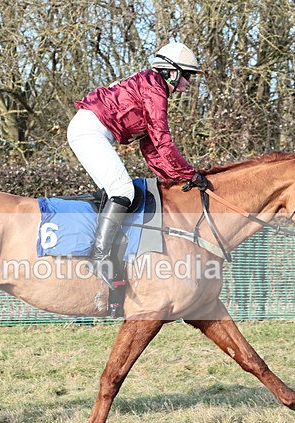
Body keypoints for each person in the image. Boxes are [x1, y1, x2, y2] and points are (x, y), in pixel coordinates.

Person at [67, 42, 208, 285]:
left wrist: (175, 179)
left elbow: (151, 148)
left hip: (93, 130)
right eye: (187, 75)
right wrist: (189, 174)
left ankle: (106, 251)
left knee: (118, 191)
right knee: (122, 191)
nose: (189, 82)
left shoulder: (152, 86)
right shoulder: (155, 88)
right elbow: (163, 140)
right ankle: (99, 257)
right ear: (171, 72)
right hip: (90, 131)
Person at [232, 230, 270, 320]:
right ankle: (242, 310)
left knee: (259, 276)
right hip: (240, 240)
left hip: (259, 238)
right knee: (240, 277)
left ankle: (261, 310)